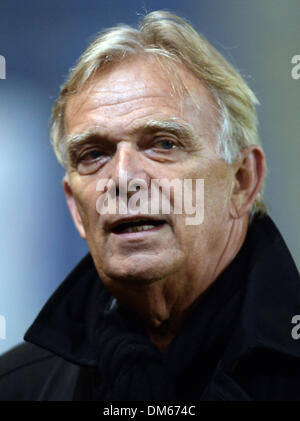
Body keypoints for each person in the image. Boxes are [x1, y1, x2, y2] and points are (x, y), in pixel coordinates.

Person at [0, 10, 299, 401]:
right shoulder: (17, 387)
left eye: (163, 144)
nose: (123, 178)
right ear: (75, 209)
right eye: (94, 153)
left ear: (242, 182)